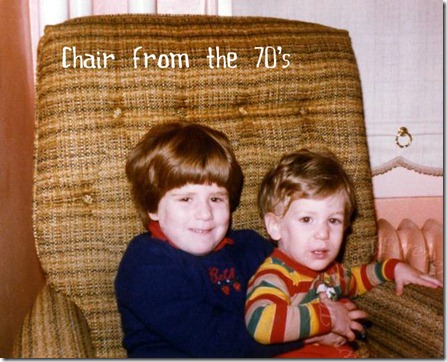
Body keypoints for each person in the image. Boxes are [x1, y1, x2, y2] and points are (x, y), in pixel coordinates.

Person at [114, 122, 304, 358]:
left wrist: (328, 304)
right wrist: (310, 331)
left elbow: (303, 281)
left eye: (215, 199)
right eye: (185, 199)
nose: (204, 214)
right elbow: (218, 341)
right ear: (153, 206)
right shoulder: (146, 265)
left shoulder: (250, 247)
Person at [245, 149, 443, 358]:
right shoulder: (275, 275)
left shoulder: (333, 272)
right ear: (275, 226)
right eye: (306, 219)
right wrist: (329, 317)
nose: (323, 233)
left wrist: (393, 268)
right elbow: (260, 321)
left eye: (333, 220)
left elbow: (357, 279)